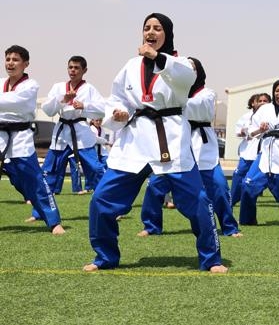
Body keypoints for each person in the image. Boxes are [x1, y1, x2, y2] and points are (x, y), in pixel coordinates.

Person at [85, 14, 225, 272]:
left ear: (167, 34)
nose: (150, 32)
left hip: (170, 140)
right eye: (146, 28)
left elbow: (184, 79)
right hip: (135, 140)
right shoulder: (130, 65)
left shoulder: (180, 63)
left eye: (157, 28)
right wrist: (119, 112)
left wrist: (155, 57)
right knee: (101, 199)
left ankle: (211, 259)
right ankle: (104, 257)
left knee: (198, 201)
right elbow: (118, 97)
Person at [139, 58, 240, 237]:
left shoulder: (207, 93)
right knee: (155, 184)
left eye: (193, 68)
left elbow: (204, 110)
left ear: (199, 72)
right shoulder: (170, 91)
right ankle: (151, 226)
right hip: (175, 145)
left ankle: (229, 227)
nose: (189, 72)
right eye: (185, 68)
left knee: (219, 185)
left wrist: (174, 107)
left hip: (202, 146)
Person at [0, 45, 65, 234]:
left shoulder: (30, 85)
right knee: (19, 181)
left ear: (25, 64)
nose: (10, 63)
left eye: (15, 60)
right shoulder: (1, 83)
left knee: (33, 180)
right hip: (1, 135)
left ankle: (54, 222)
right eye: (8, 59)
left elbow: (18, 102)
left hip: (20, 137)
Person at [40, 56, 106, 197]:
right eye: (70, 67)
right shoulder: (58, 87)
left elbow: (101, 110)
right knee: (49, 170)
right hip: (61, 134)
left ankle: (111, 208)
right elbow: (47, 109)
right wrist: (63, 100)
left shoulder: (89, 89)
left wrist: (85, 106)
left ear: (84, 70)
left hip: (81, 133)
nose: (73, 70)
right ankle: (39, 213)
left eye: (76, 68)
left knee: (95, 169)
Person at [239, 80, 279, 225]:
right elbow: (251, 133)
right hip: (268, 150)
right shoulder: (264, 109)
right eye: (277, 91)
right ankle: (248, 219)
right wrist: (261, 129)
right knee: (248, 184)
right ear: (273, 92)